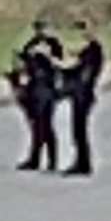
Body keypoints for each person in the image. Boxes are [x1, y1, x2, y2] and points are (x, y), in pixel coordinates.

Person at [15, 19, 63, 172]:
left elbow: (60, 64)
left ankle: (52, 159)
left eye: (43, 28)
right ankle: (34, 159)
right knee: (35, 125)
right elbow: (23, 65)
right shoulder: (31, 44)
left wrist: (47, 55)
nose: (40, 32)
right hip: (34, 87)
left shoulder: (53, 44)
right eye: (38, 29)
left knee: (47, 124)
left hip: (48, 88)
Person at [65, 20, 105, 176]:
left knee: (79, 129)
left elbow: (85, 73)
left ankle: (83, 163)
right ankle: (81, 161)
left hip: (84, 94)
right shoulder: (89, 50)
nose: (84, 34)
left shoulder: (94, 51)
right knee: (77, 130)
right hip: (80, 93)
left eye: (87, 30)